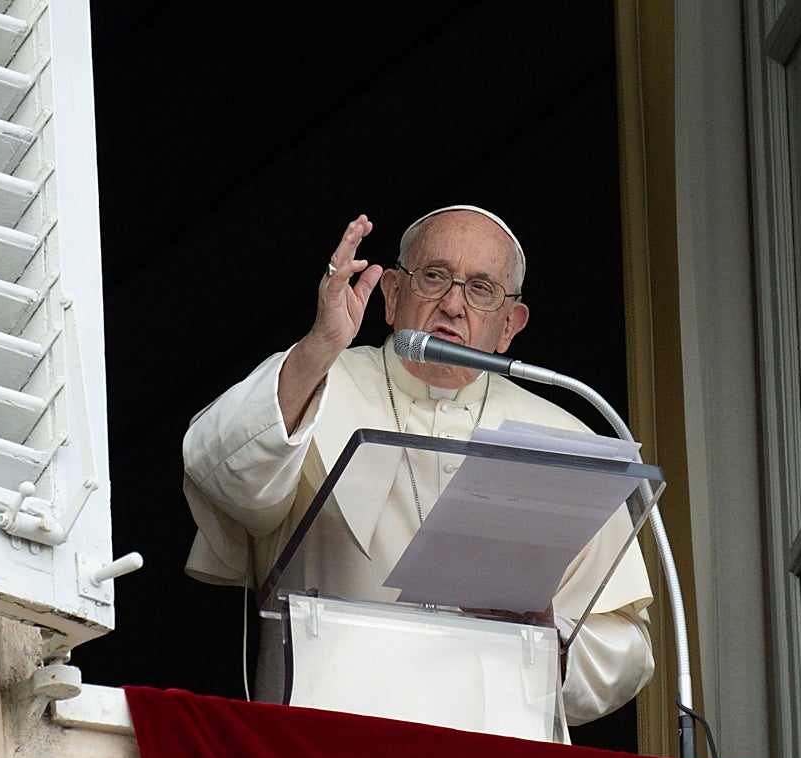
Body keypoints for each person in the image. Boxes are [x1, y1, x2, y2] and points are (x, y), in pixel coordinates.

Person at [182, 206, 654, 725]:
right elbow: (221, 473)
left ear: (509, 326)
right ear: (391, 294)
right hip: (323, 742)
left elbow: (625, 648)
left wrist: (550, 640)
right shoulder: (312, 381)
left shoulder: (565, 438)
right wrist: (320, 346)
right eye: (433, 277)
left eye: (481, 289)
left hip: (497, 755)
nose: (452, 304)